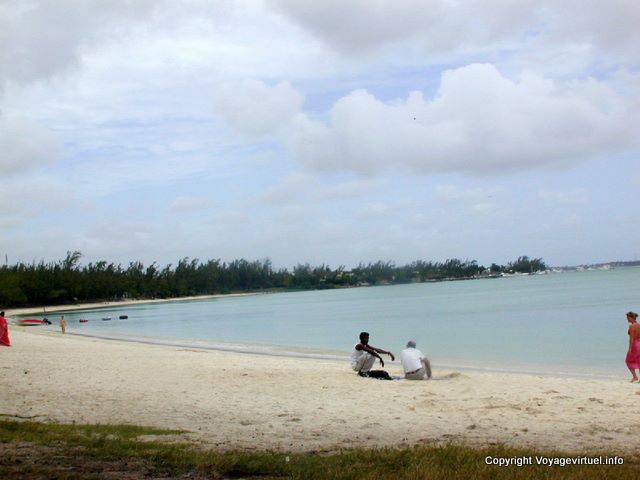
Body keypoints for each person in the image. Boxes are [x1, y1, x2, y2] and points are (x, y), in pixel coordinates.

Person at [626, 311, 640, 382]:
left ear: (631, 318)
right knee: (639, 360)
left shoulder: (632, 326)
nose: (627, 319)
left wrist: (630, 348)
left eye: (628, 318)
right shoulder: (639, 325)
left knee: (628, 361)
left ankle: (635, 377)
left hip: (635, 345)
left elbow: (631, 338)